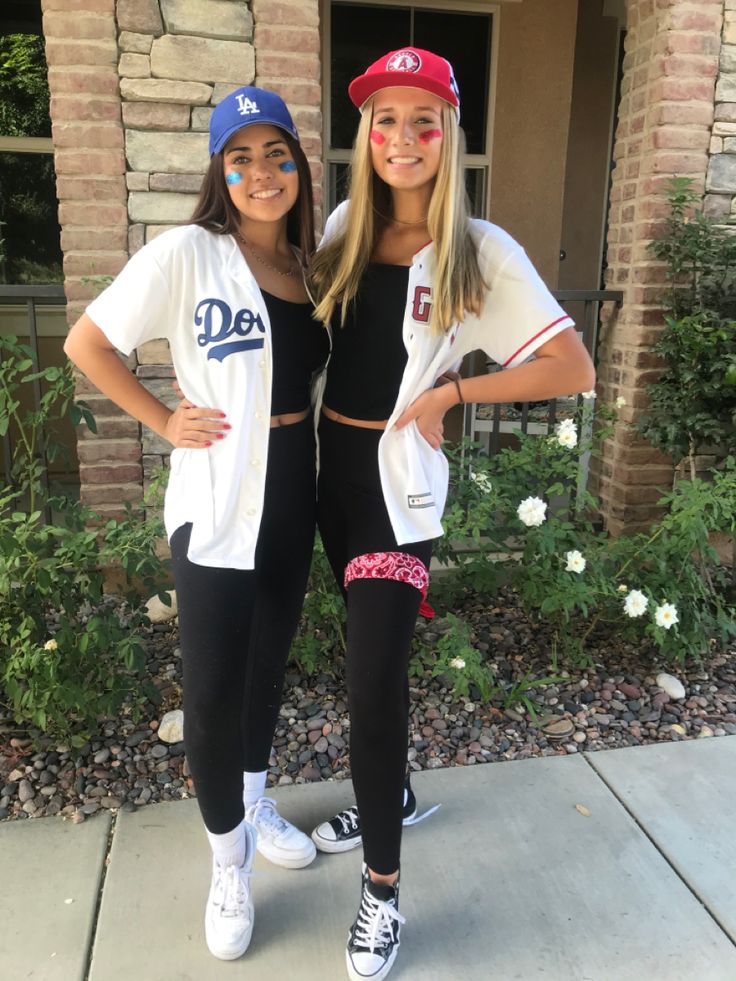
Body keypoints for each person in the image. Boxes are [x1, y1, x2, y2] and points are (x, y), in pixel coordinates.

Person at [308, 47, 596, 981]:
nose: (402, 137)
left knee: (372, 682)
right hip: (329, 483)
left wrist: (455, 395)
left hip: (399, 493)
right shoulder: (347, 225)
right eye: (385, 119)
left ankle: (382, 893)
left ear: (449, 135)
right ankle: (390, 789)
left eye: (422, 120)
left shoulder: (481, 252)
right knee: (362, 649)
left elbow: (572, 368)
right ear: (367, 134)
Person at [64, 86, 329, 962]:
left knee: (266, 666)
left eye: (278, 154)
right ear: (221, 171)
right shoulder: (187, 252)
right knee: (212, 690)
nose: (263, 171)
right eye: (241, 156)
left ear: (298, 166)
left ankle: (251, 802)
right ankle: (227, 862)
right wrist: (162, 419)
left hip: (295, 483)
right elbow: (88, 342)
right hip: (215, 494)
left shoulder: (309, 264)